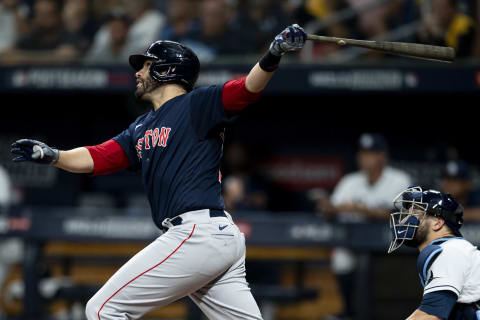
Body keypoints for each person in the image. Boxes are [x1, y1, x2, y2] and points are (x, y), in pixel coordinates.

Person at [11, 24, 307, 320]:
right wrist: (54, 155)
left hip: (197, 233)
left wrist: (273, 53)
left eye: (147, 65)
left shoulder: (197, 104)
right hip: (214, 237)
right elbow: (98, 156)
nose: (138, 72)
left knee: (103, 309)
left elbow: (246, 89)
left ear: (167, 70)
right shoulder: (141, 126)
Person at [319, 133, 411, 319]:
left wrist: (363, 210)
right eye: (363, 153)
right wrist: (327, 207)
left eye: (372, 153)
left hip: (390, 244)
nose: (366, 157)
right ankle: (350, 312)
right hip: (355, 240)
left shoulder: (399, 179)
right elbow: (331, 209)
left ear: (383, 156)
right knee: (341, 258)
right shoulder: (350, 181)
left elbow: (402, 213)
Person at [388, 186, 480, 319]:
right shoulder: (454, 249)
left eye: (415, 213)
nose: (404, 220)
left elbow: (430, 315)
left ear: (437, 223)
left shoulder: (450, 251)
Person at [0, 0, 81, 65]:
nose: (41, 20)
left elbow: (67, 57)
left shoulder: (68, 35)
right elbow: (6, 56)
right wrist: (52, 57)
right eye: (38, 14)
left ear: (58, 16)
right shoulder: (32, 37)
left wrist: (23, 57)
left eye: (46, 15)